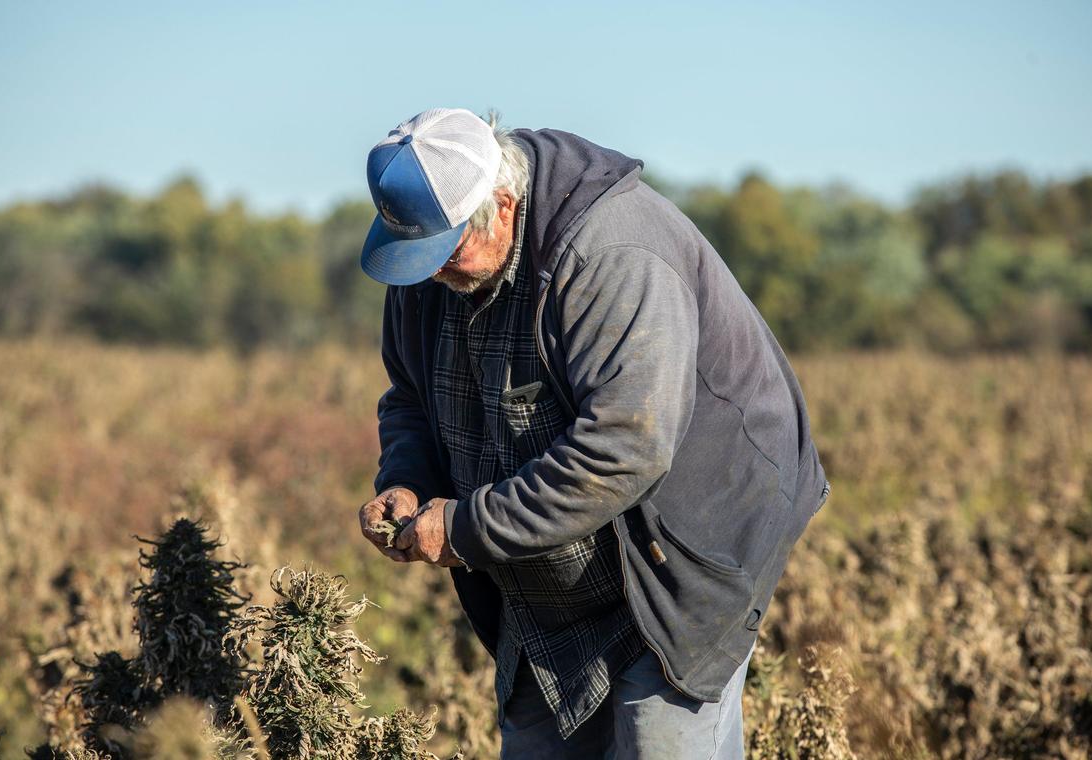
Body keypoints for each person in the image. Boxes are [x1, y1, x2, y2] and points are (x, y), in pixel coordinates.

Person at [356, 107, 830, 759]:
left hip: (687, 544)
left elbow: (625, 448)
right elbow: (409, 395)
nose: (434, 272)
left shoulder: (611, 254)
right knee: (540, 740)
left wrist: (466, 530)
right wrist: (407, 481)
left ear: (503, 205)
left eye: (447, 252)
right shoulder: (428, 265)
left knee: (656, 738)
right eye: (418, 256)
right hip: (551, 566)